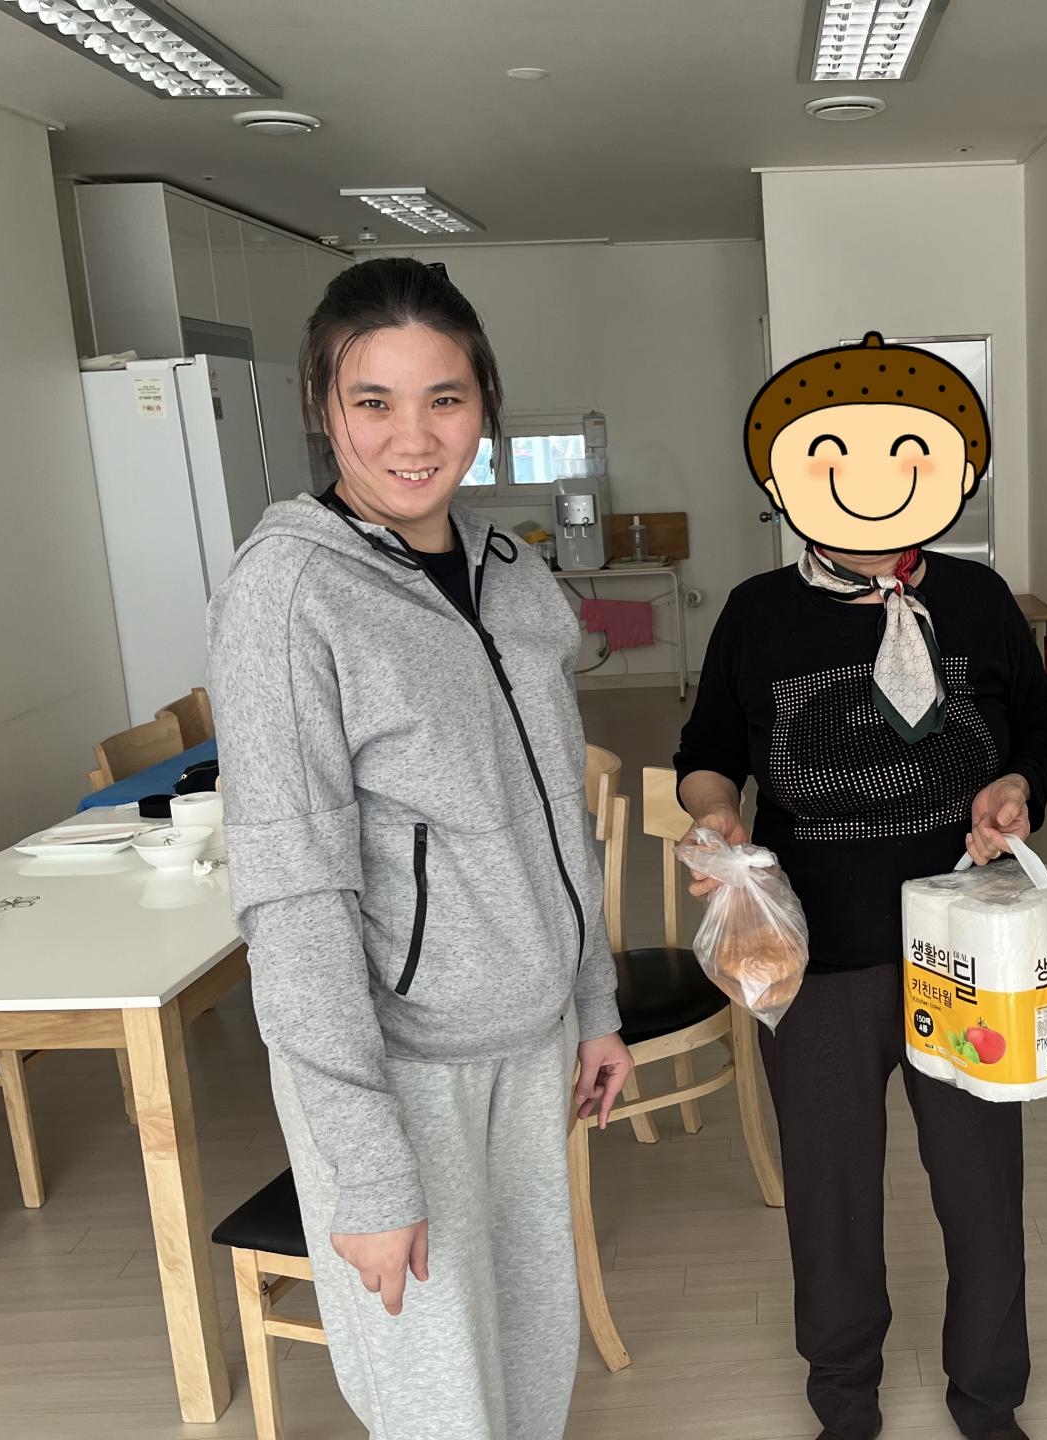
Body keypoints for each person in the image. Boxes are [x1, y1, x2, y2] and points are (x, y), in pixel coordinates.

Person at [208, 256, 632, 1440]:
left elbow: (556, 812)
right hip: (404, 1066)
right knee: (440, 1403)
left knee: (531, 1361)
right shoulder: (290, 594)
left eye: (444, 398)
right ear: (322, 407)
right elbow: (293, 896)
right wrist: (365, 1168)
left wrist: (593, 1003)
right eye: (373, 401)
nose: (413, 436)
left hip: (532, 1040)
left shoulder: (515, 575)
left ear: (484, 404)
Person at [674, 333, 1047, 1440]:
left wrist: (1016, 786)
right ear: (784, 475)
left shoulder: (981, 600)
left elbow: (1042, 732)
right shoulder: (756, 612)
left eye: (910, 453)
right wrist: (715, 811)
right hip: (815, 953)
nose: (873, 479)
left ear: (954, 469)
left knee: (983, 1192)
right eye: (831, 456)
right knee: (832, 1195)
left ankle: (989, 1398)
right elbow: (705, 751)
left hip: (968, 947)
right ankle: (843, 1399)